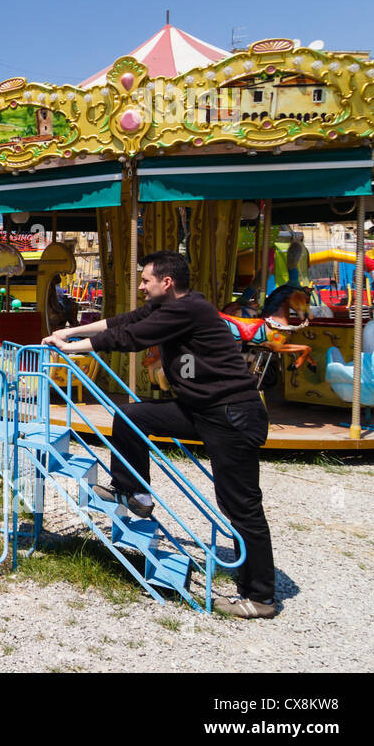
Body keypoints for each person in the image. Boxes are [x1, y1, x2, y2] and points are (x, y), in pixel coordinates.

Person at [42, 250, 277, 619]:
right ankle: (132, 491)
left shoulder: (189, 310)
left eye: (146, 280)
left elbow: (132, 337)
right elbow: (125, 320)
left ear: (167, 283)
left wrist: (73, 348)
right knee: (132, 415)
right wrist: (71, 330)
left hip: (232, 415)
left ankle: (260, 597)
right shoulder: (170, 308)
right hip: (201, 410)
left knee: (241, 506)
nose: (140, 286)